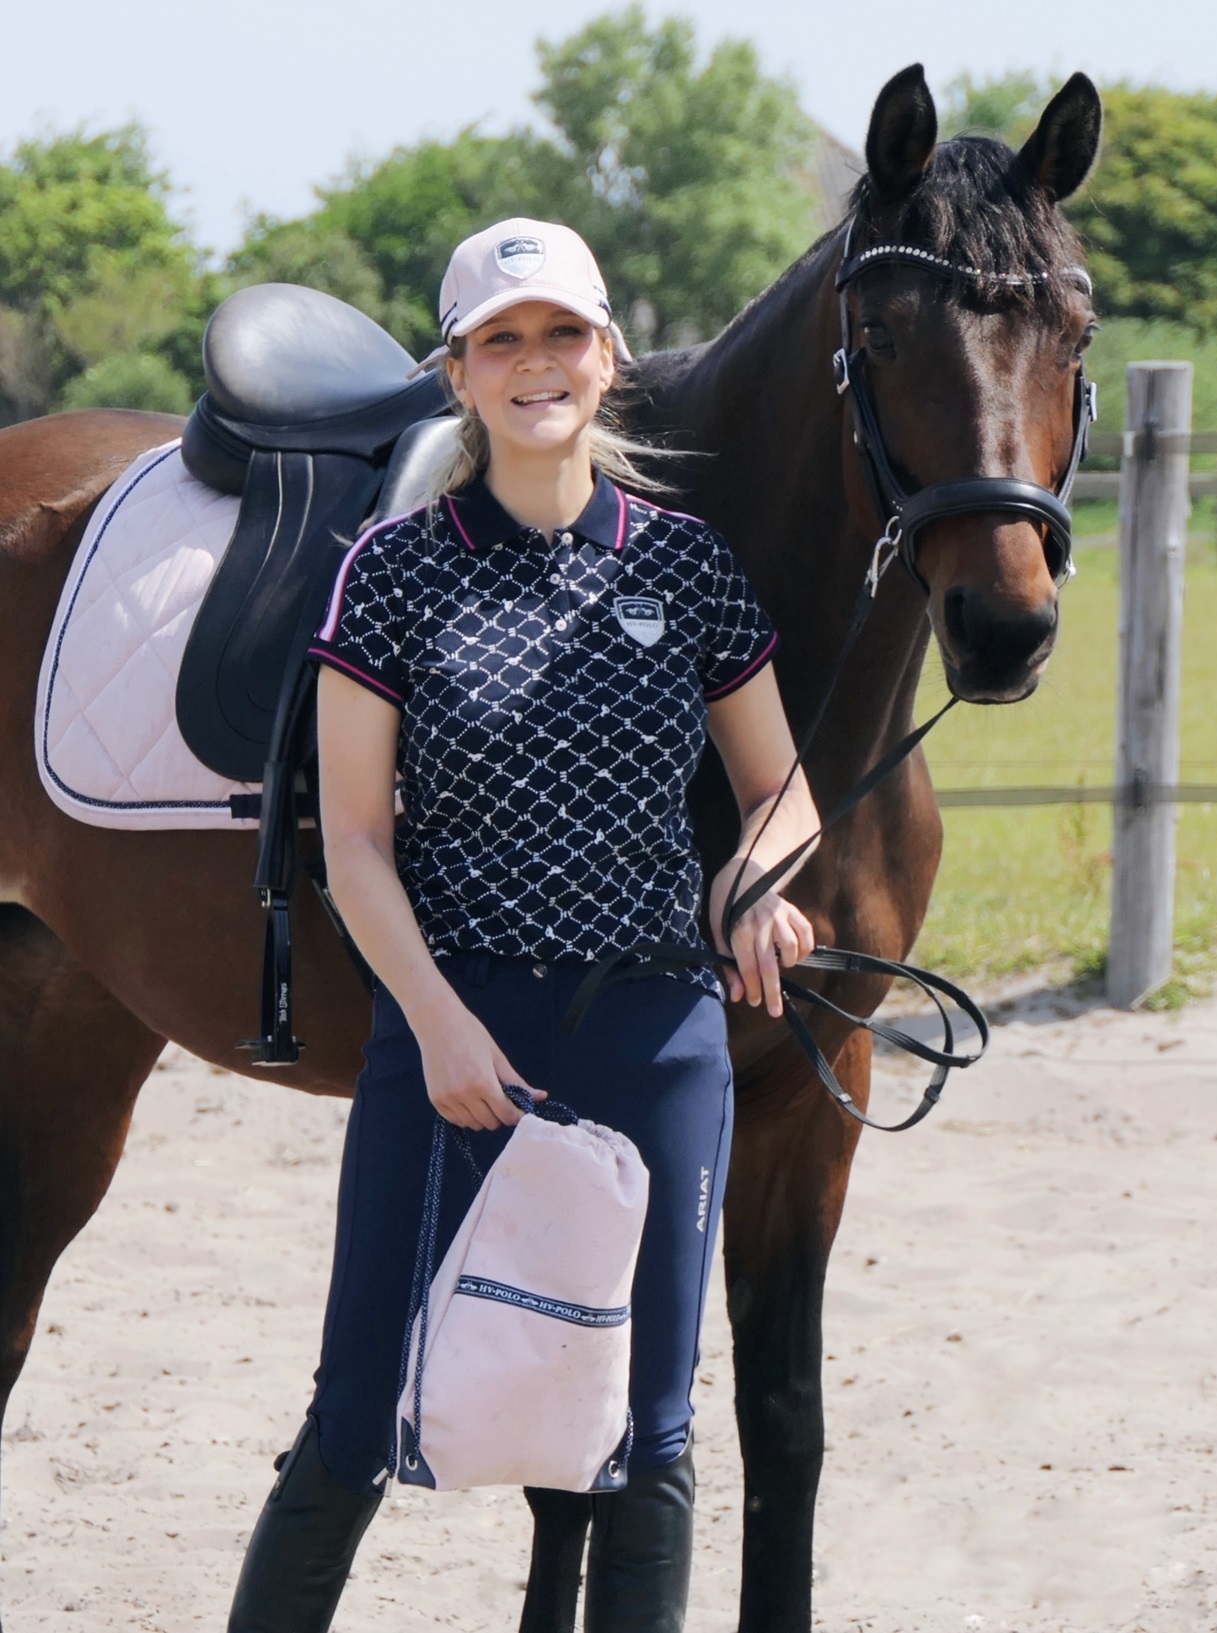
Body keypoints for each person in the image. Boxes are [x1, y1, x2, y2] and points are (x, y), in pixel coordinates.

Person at [225, 217, 821, 1633]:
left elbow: (780, 786)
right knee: (358, 1407)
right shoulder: (391, 576)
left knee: (649, 1430)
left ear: (608, 358)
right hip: (455, 1029)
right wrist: (434, 1020)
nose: (536, 362)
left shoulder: (685, 568)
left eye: (562, 333)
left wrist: (754, 881)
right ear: (459, 375)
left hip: (657, 1035)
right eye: (502, 339)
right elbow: (355, 841)